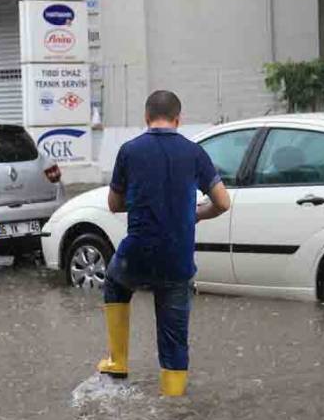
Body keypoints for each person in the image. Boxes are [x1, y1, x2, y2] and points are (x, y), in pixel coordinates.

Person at [97, 90, 231, 396]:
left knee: (115, 283)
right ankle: (173, 396)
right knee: (174, 338)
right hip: (177, 259)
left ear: (146, 118)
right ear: (178, 119)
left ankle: (117, 361)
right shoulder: (194, 153)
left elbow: (114, 204)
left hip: (137, 254)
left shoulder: (130, 151)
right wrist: (195, 215)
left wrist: (145, 200)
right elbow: (223, 202)